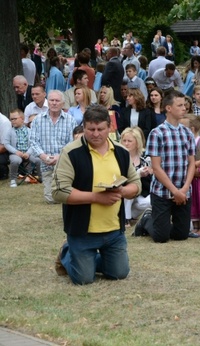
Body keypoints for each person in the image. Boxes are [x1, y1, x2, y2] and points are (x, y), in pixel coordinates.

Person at [52, 105, 141, 285]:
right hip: (82, 230)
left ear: (110, 127)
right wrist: (97, 198)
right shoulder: (70, 152)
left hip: (114, 231)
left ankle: (86, 260)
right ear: (83, 127)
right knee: (84, 279)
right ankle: (67, 254)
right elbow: (59, 191)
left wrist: (122, 191)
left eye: (100, 129)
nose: (96, 134)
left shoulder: (121, 152)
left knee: (119, 273)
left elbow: (136, 184)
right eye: (90, 129)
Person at [134, 91, 195, 243]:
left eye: (184, 105)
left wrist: (184, 189)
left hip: (183, 190)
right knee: (161, 238)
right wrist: (174, 191)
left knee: (181, 235)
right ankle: (147, 219)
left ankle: (164, 224)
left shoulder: (187, 133)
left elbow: (192, 163)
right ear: (168, 108)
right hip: (162, 192)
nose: (184, 108)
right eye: (179, 105)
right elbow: (156, 167)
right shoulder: (157, 133)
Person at [30, 90, 77, 203]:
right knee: (51, 200)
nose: (54, 103)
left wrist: (59, 157)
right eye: (52, 100)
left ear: (62, 103)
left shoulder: (70, 120)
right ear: (48, 102)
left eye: (57, 100)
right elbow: (33, 141)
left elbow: (73, 142)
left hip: (64, 164)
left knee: (65, 197)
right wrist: (44, 156)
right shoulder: (37, 120)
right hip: (46, 164)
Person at [120, 127, 152, 227]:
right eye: (124, 140)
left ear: (137, 143)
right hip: (123, 194)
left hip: (141, 193)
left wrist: (150, 171)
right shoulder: (119, 158)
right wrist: (138, 174)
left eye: (129, 141)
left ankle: (131, 216)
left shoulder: (145, 159)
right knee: (130, 188)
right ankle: (126, 219)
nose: (126, 143)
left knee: (153, 200)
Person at [5, 109, 41, 188]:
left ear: (22, 119)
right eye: (11, 119)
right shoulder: (10, 131)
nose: (13, 121)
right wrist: (16, 151)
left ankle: (41, 177)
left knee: (38, 160)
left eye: (15, 119)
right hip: (16, 154)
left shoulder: (30, 131)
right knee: (15, 161)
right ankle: (13, 179)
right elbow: (6, 144)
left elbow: (33, 143)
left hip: (28, 153)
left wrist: (28, 153)